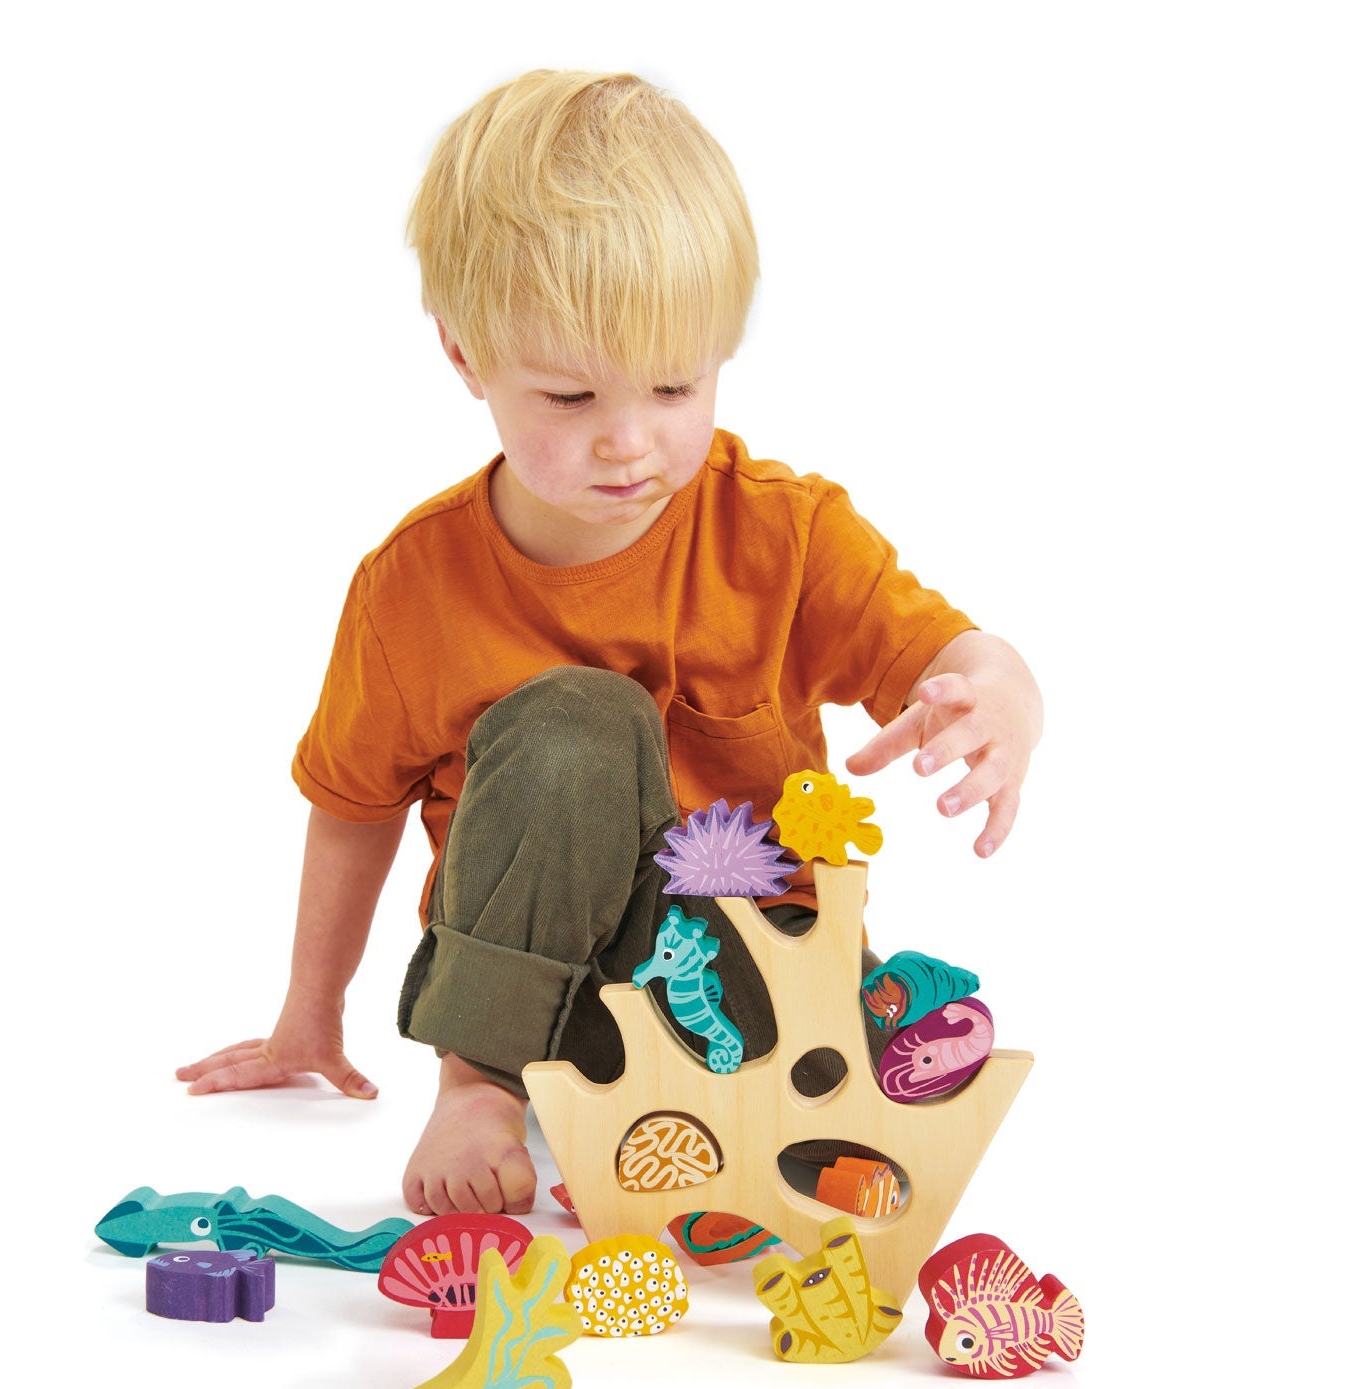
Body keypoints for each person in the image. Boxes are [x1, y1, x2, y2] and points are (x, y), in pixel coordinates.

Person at [176, 70, 1042, 1219]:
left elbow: (956, 651)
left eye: (675, 386)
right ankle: (484, 1085)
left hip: (740, 972)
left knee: (842, 1054)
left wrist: (997, 694)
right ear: (465, 356)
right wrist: (309, 1012)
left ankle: (683, 1116)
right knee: (578, 719)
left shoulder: (784, 534)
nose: (629, 442)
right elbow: (351, 806)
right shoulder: (414, 589)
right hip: (540, 991)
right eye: (571, 397)